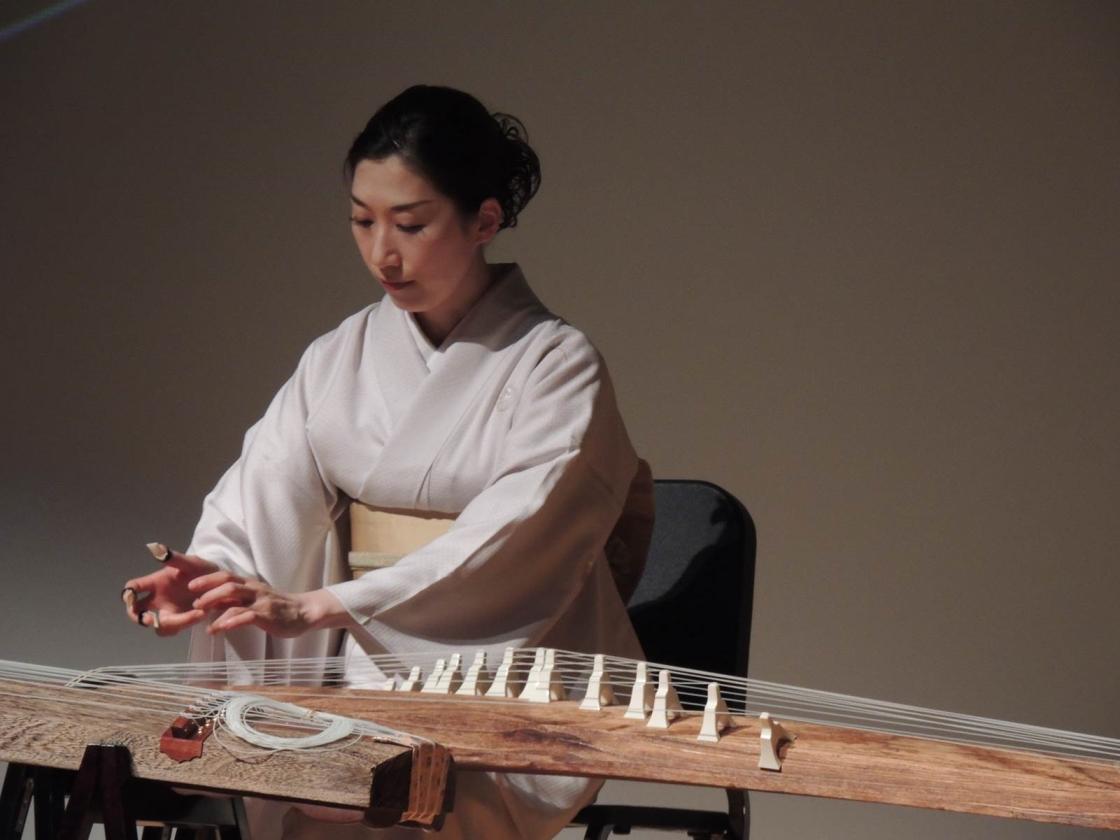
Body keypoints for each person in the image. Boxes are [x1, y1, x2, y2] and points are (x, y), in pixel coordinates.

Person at [122, 85, 650, 839]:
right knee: (319, 775)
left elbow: (519, 533)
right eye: (362, 221)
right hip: (351, 663)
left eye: (410, 223)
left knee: (418, 793)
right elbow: (262, 491)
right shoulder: (340, 356)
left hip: (501, 671)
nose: (382, 252)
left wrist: (321, 606)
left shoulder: (556, 364)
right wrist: (208, 576)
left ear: (485, 220)